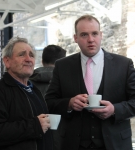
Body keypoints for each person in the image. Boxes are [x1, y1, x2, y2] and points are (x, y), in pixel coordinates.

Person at [45, 14, 135, 150]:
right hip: (74, 143)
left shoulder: (123, 64)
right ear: (75, 38)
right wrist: (68, 103)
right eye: (84, 35)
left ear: (101, 35)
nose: (91, 39)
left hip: (115, 144)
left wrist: (115, 110)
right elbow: (49, 102)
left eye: (94, 33)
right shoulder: (62, 66)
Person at [0, 37, 53, 150]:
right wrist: (34, 126)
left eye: (31, 55)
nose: (28, 59)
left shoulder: (34, 91)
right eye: (22, 55)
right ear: (7, 61)